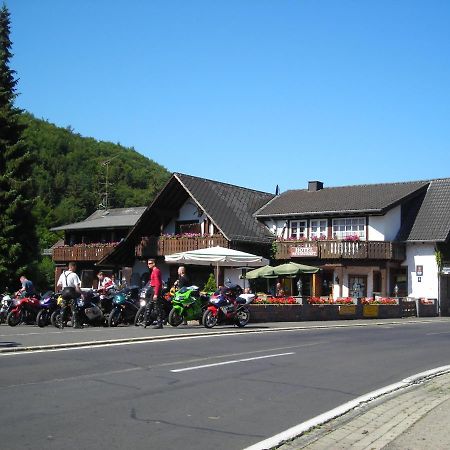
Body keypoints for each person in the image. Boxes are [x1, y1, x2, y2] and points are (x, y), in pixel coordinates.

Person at [56, 262, 82, 328]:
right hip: (71, 292)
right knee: (74, 308)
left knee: (63, 308)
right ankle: (75, 324)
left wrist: (64, 286)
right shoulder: (74, 275)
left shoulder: (63, 274)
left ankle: (61, 324)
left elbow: (58, 284)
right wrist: (81, 293)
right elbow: (77, 286)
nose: (75, 269)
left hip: (64, 292)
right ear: (72, 267)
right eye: (75, 267)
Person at [145, 258, 164, 329]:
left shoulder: (156, 271)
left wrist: (156, 294)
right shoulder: (154, 271)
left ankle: (159, 323)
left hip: (156, 290)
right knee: (149, 305)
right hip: (153, 289)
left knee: (157, 307)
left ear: (154, 264)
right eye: (148, 263)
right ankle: (145, 321)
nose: (148, 265)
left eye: (150, 263)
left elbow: (158, 283)